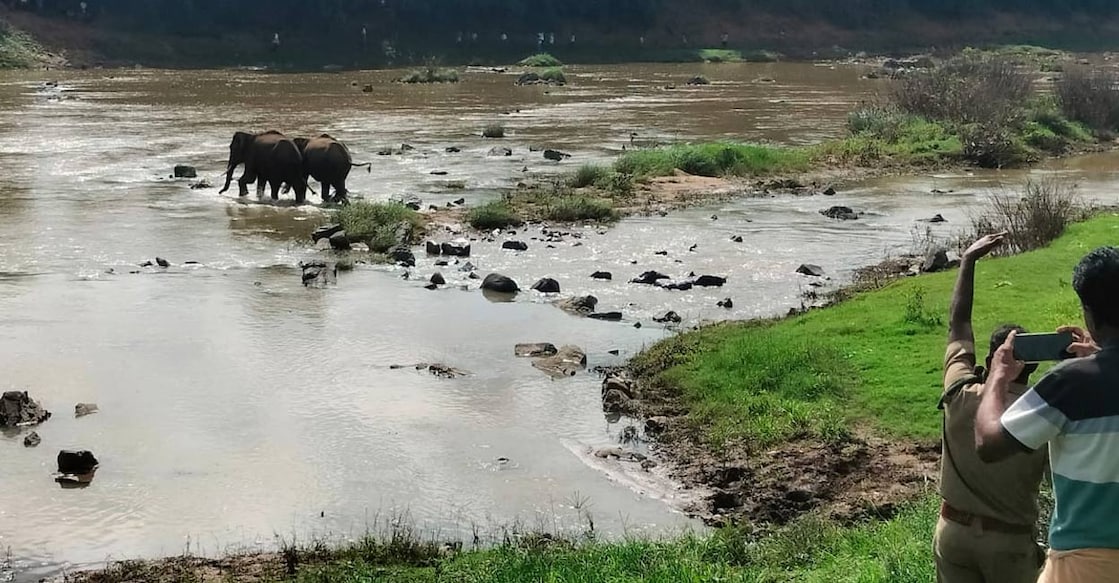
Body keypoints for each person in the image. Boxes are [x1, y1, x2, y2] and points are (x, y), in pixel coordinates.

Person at [976, 245, 1119, 583]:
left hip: (1084, 565)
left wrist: (997, 376)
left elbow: (988, 441)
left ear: (1089, 313)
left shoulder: (1071, 383)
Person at [936, 232, 1048, 583]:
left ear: (989, 360)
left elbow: (959, 325)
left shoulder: (959, 393)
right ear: (1033, 366)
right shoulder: (1041, 417)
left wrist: (968, 261)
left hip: (952, 532)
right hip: (1009, 544)